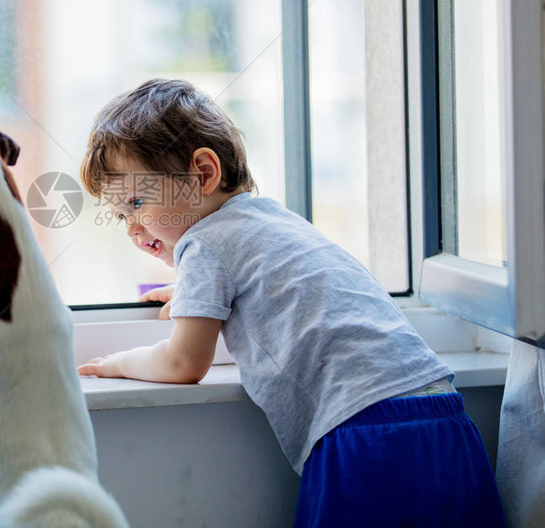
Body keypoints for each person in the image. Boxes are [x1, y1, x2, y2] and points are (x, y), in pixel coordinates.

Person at [77, 78, 505, 527]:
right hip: (445, 414)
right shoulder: (277, 221)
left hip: (366, 429)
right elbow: (283, 303)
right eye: (121, 215)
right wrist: (193, 295)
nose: (131, 228)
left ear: (202, 174)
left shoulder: (202, 246)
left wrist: (120, 364)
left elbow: (184, 363)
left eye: (137, 202)